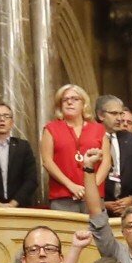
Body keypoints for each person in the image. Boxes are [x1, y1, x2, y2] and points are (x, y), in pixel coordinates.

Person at [43, 82, 106, 212]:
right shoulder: (51, 128)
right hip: (63, 196)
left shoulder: (98, 129)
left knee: (95, 231)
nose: (69, 103)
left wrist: (91, 187)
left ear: (84, 104)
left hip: (93, 197)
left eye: (75, 99)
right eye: (65, 100)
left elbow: (106, 162)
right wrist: (71, 186)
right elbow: (47, 161)